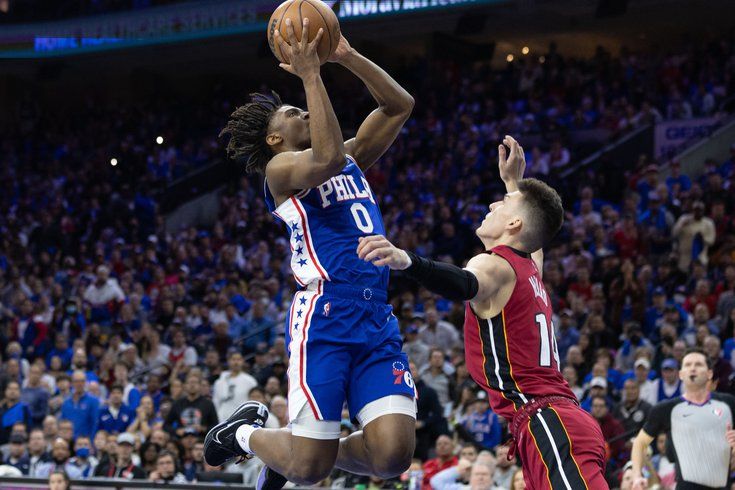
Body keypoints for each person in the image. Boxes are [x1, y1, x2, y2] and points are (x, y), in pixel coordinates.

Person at [204, 17, 416, 490]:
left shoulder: (352, 155)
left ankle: (294, 448)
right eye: (292, 114)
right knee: (308, 472)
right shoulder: (279, 171)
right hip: (325, 315)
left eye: (304, 109)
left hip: (375, 314)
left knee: (392, 455)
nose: (302, 113)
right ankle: (242, 433)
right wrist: (310, 74)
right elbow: (325, 160)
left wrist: (345, 56)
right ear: (274, 139)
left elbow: (399, 105)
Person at [358, 136, 608, 488]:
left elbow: (464, 284)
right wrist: (513, 185)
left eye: (502, 202)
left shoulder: (496, 265)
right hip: (559, 421)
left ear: (514, 225)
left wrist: (407, 260)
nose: (493, 204)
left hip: (549, 421)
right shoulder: (529, 269)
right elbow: (533, 240)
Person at [631, 348, 735, 489]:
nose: (692, 368)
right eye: (687, 365)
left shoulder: (728, 403)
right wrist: (637, 476)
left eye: (698, 364)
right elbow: (639, 443)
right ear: (681, 374)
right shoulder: (665, 409)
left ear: (709, 373)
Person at [213, 350, 257, 423]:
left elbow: (254, 401)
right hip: (222, 419)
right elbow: (216, 402)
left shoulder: (250, 381)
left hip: (242, 419)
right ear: (228, 361)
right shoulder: (219, 381)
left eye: (238, 359)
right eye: (233, 359)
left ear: (242, 361)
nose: (236, 362)